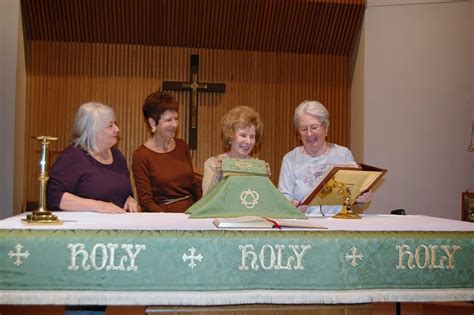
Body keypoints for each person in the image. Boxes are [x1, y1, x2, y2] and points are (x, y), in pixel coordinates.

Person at [278, 100, 372, 215]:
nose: (309, 134)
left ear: (326, 128)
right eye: (304, 129)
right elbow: (283, 199)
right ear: (299, 133)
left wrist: (362, 197)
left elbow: (355, 196)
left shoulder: (343, 155)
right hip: (304, 226)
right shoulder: (290, 159)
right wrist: (291, 206)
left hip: (339, 225)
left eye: (314, 127)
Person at [47, 102, 138, 214]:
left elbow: (123, 192)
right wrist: (97, 205)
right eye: (110, 126)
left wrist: (130, 200)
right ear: (93, 131)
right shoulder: (73, 156)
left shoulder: (118, 156)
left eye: (115, 124)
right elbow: (53, 196)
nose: (117, 129)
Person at [132, 91, 202, 212]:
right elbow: (146, 201)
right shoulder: (141, 155)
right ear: (152, 122)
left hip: (191, 212)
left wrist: (202, 208)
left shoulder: (182, 145)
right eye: (168, 120)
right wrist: (167, 221)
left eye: (176, 118)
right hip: (163, 216)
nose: (174, 124)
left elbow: (194, 184)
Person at [202, 105, 264, 194]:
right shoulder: (212, 164)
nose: (248, 141)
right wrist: (217, 175)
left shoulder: (256, 165)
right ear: (230, 136)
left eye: (252, 136)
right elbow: (206, 200)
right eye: (243, 135)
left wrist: (264, 178)